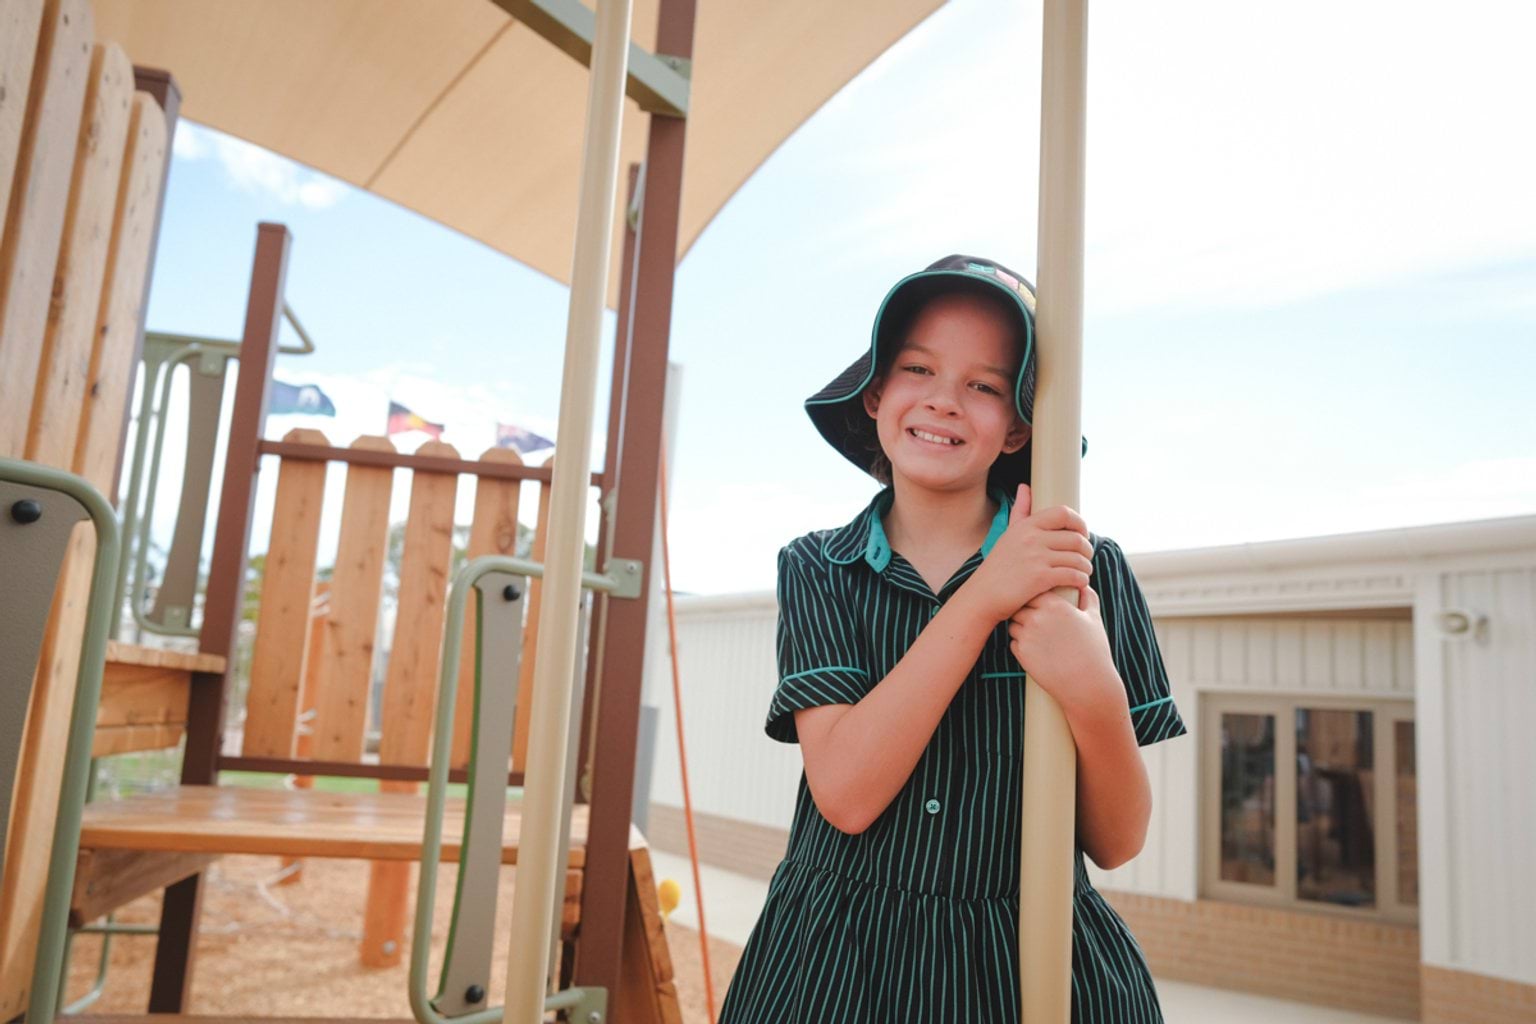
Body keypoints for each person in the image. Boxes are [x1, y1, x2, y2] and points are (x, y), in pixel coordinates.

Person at [717, 255, 1189, 1023]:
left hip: (1027, 959)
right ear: (875, 394)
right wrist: (982, 603)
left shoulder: (1084, 569)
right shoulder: (819, 567)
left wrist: (1094, 691)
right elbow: (846, 794)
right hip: (837, 963)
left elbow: (1118, 840)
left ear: (1017, 430)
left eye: (984, 386)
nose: (944, 402)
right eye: (917, 369)